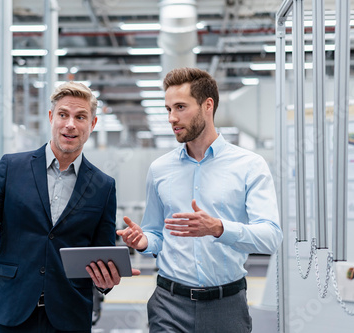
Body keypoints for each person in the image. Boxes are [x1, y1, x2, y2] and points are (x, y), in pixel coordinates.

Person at [0, 81, 139, 333]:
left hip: (69, 314)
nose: (70, 124)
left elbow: (103, 252)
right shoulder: (11, 167)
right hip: (11, 308)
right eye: (63, 114)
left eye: (80, 117)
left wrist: (106, 281)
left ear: (93, 124)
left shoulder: (103, 186)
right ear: (51, 117)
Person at [117, 67, 283, 333]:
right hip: (168, 304)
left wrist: (218, 228)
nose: (172, 118)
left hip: (226, 306)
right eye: (168, 109)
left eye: (180, 107)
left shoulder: (250, 165)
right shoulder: (160, 169)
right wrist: (144, 241)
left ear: (208, 105)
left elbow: (271, 236)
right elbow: (156, 232)